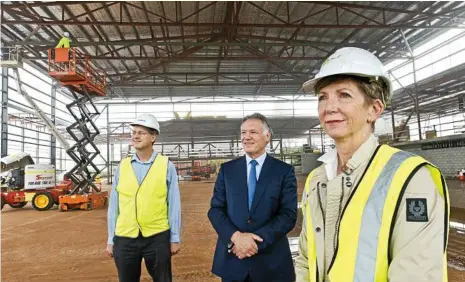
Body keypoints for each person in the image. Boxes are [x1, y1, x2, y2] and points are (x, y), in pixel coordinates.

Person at [295, 47, 450, 282]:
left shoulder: (411, 178)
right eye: (322, 97)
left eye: (344, 95)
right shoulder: (317, 179)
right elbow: (306, 259)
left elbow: (415, 275)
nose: (329, 107)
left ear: (374, 109)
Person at [208, 113, 298, 282]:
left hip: (271, 263)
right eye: (243, 133)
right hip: (234, 258)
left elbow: (288, 214)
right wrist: (236, 237)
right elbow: (215, 210)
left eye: (253, 132)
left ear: (267, 136)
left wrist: (253, 242)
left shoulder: (284, 171)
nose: (246, 137)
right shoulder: (227, 170)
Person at [106, 114, 181, 282]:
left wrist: (174, 238)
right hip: (125, 237)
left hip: (157, 236)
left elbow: (173, 204)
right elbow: (114, 206)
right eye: (133, 132)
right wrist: (111, 239)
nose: (135, 136)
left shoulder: (166, 166)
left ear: (153, 137)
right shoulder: (122, 167)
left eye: (141, 132)